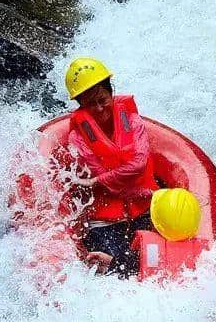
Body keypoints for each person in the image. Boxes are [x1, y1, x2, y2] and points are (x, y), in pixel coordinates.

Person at [65, 57, 158, 276]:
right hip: (104, 221)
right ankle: (115, 263)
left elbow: (139, 163)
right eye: (90, 104)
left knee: (151, 263)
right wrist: (109, 180)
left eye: (102, 99)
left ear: (111, 93)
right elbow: (113, 184)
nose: (98, 108)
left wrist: (96, 181)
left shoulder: (133, 122)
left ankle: (117, 262)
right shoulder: (77, 138)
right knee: (115, 274)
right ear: (81, 106)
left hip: (142, 210)